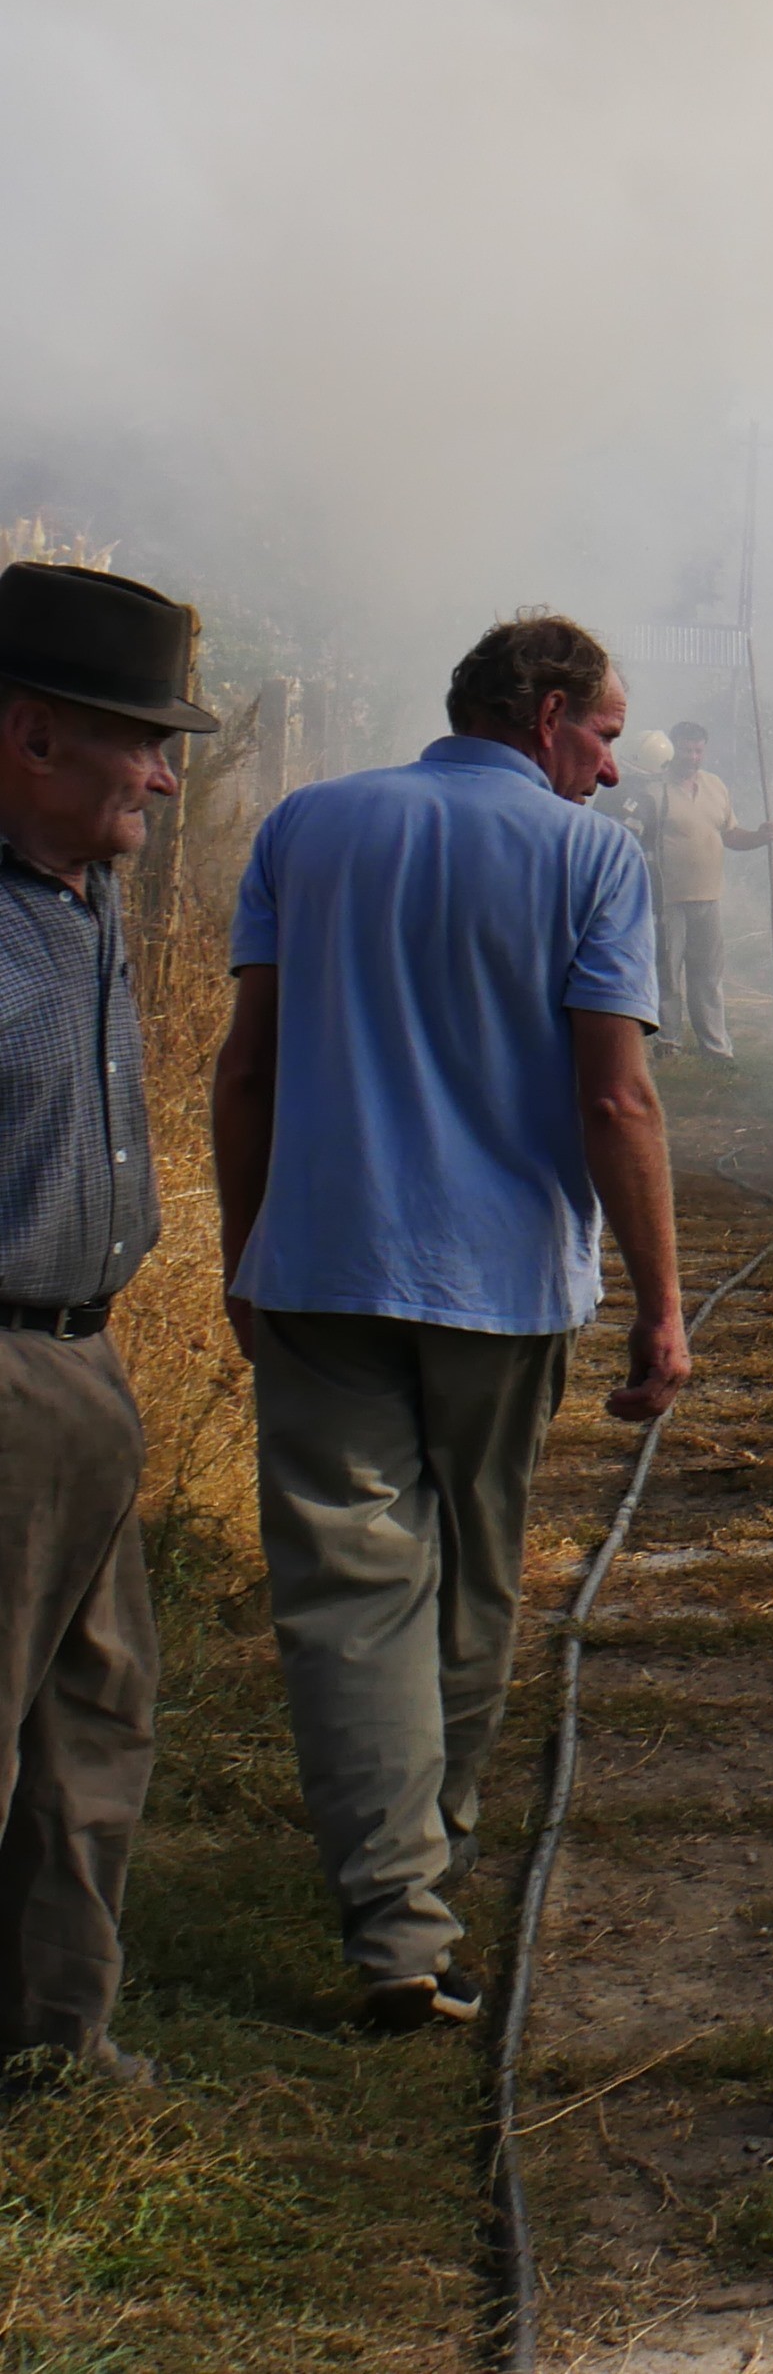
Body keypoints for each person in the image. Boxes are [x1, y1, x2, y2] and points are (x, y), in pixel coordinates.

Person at [212, 611, 685, 2035]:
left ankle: (394, 1922)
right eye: (605, 733)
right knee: (474, 1579)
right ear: (547, 715)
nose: (613, 768)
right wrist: (662, 1304)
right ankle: (438, 1873)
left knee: (346, 1595)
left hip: (317, 1270)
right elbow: (615, 1097)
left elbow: (248, 1071)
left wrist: (247, 1254)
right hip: (498, 1286)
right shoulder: (589, 858)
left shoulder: (306, 826)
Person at [0, 562, 212, 2087]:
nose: (166, 773)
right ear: (33, 737)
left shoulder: (87, 891)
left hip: (84, 1354)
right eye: (143, 738)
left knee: (95, 1709)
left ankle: (55, 2045)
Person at [641, 721, 773, 1061]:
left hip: (708, 897)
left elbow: (731, 835)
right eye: (686, 750)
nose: (693, 757)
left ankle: (715, 1047)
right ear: (672, 750)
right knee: (668, 975)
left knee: (708, 976)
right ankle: (668, 1044)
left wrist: (759, 837)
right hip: (666, 900)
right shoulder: (654, 790)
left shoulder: (715, 786)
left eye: (698, 750)